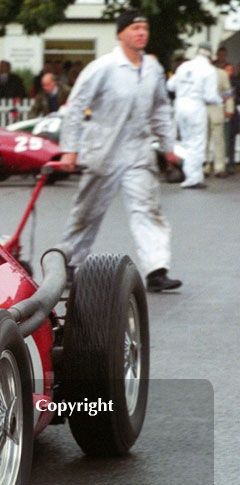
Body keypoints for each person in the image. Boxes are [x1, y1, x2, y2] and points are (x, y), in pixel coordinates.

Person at [59, 9, 181, 293]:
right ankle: (69, 261)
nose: (141, 33)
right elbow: (76, 106)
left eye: (144, 28)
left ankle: (156, 269)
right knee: (87, 210)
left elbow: (161, 108)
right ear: (121, 34)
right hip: (103, 150)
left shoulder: (152, 69)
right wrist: (69, 150)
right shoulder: (103, 67)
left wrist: (168, 147)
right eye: (135, 28)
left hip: (138, 152)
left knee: (148, 209)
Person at [166, 43, 222, 188]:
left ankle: (189, 173)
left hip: (180, 106)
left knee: (186, 141)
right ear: (210, 55)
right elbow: (210, 96)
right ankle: (193, 177)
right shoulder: (209, 70)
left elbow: (170, 86)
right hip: (196, 107)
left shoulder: (184, 66)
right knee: (197, 142)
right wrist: (221, 99)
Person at [205, 61, 234, 178]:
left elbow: (227, 92)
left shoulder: (221, 74)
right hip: (201, 111)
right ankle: (204, 165)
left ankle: (219, 167)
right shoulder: (198, 73)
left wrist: (229, 109)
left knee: (219, 140)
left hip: (217, 109)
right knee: (203, 140)